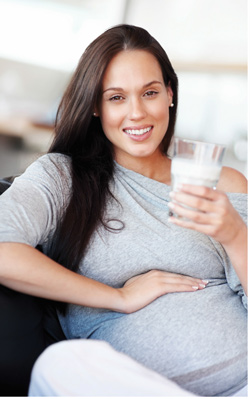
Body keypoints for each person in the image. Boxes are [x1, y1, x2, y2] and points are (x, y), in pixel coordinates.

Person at [0, 24, 247, 397]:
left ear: (169, 94)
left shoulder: (222, 181)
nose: (137, 113)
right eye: (116, 98)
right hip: (135, 387)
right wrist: (118, 296)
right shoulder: (62, 177)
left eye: (149, 93)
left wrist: (237, 236)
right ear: (96, 107)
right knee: (61, 364)